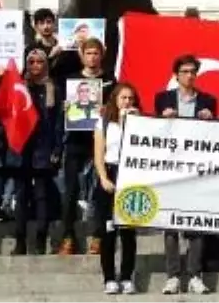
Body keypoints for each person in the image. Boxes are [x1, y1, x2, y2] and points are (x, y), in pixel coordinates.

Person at [153, 54, 216, 295]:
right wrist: (163, 119)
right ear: (176, 75)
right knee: (170, 223)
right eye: (185, 71)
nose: (189, 75)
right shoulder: (162, 99)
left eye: (193, 71)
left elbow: (215, 138)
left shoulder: (209, 100)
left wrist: (211, 120)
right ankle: (172, 276)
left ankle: (195, 275)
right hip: (170, 167)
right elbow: (153, 132)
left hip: (197, 170)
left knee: (196, 223)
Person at [58, 38, 114, 256]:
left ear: (102, 55)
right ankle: (67, 236)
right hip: (75, 140)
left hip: (101, 140)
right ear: (81, 55)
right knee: (70, 190)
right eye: (88, 53)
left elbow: (118, 106)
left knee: (101, 189)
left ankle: (99, 236)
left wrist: (107, 109)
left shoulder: (110, 80)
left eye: (96, 53)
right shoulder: (70, 80)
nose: (92, 57)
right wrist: (65, 109)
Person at [14, 48, 62, 256]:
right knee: (21, 195)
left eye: (39, 62)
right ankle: (20, 241)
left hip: (44, 147)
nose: (35, 66)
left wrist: (57, 148)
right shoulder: (18, 88)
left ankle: (41, 239)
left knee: (42, 195)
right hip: (21, 148)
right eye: (31, 62)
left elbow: (59, 121)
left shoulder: (54, 89)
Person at [94, 83, 141, 295]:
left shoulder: (140, 123)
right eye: (123, 98)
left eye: (131, 98)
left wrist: (132, 124)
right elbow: (98, 155)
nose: (127, 102)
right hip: (111, 174)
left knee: (128, 232)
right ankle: (109, 277)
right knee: (108, 231)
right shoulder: (103, 123)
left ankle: (127, 276)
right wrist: (103, 177)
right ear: (115, 99)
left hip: (131, 175)